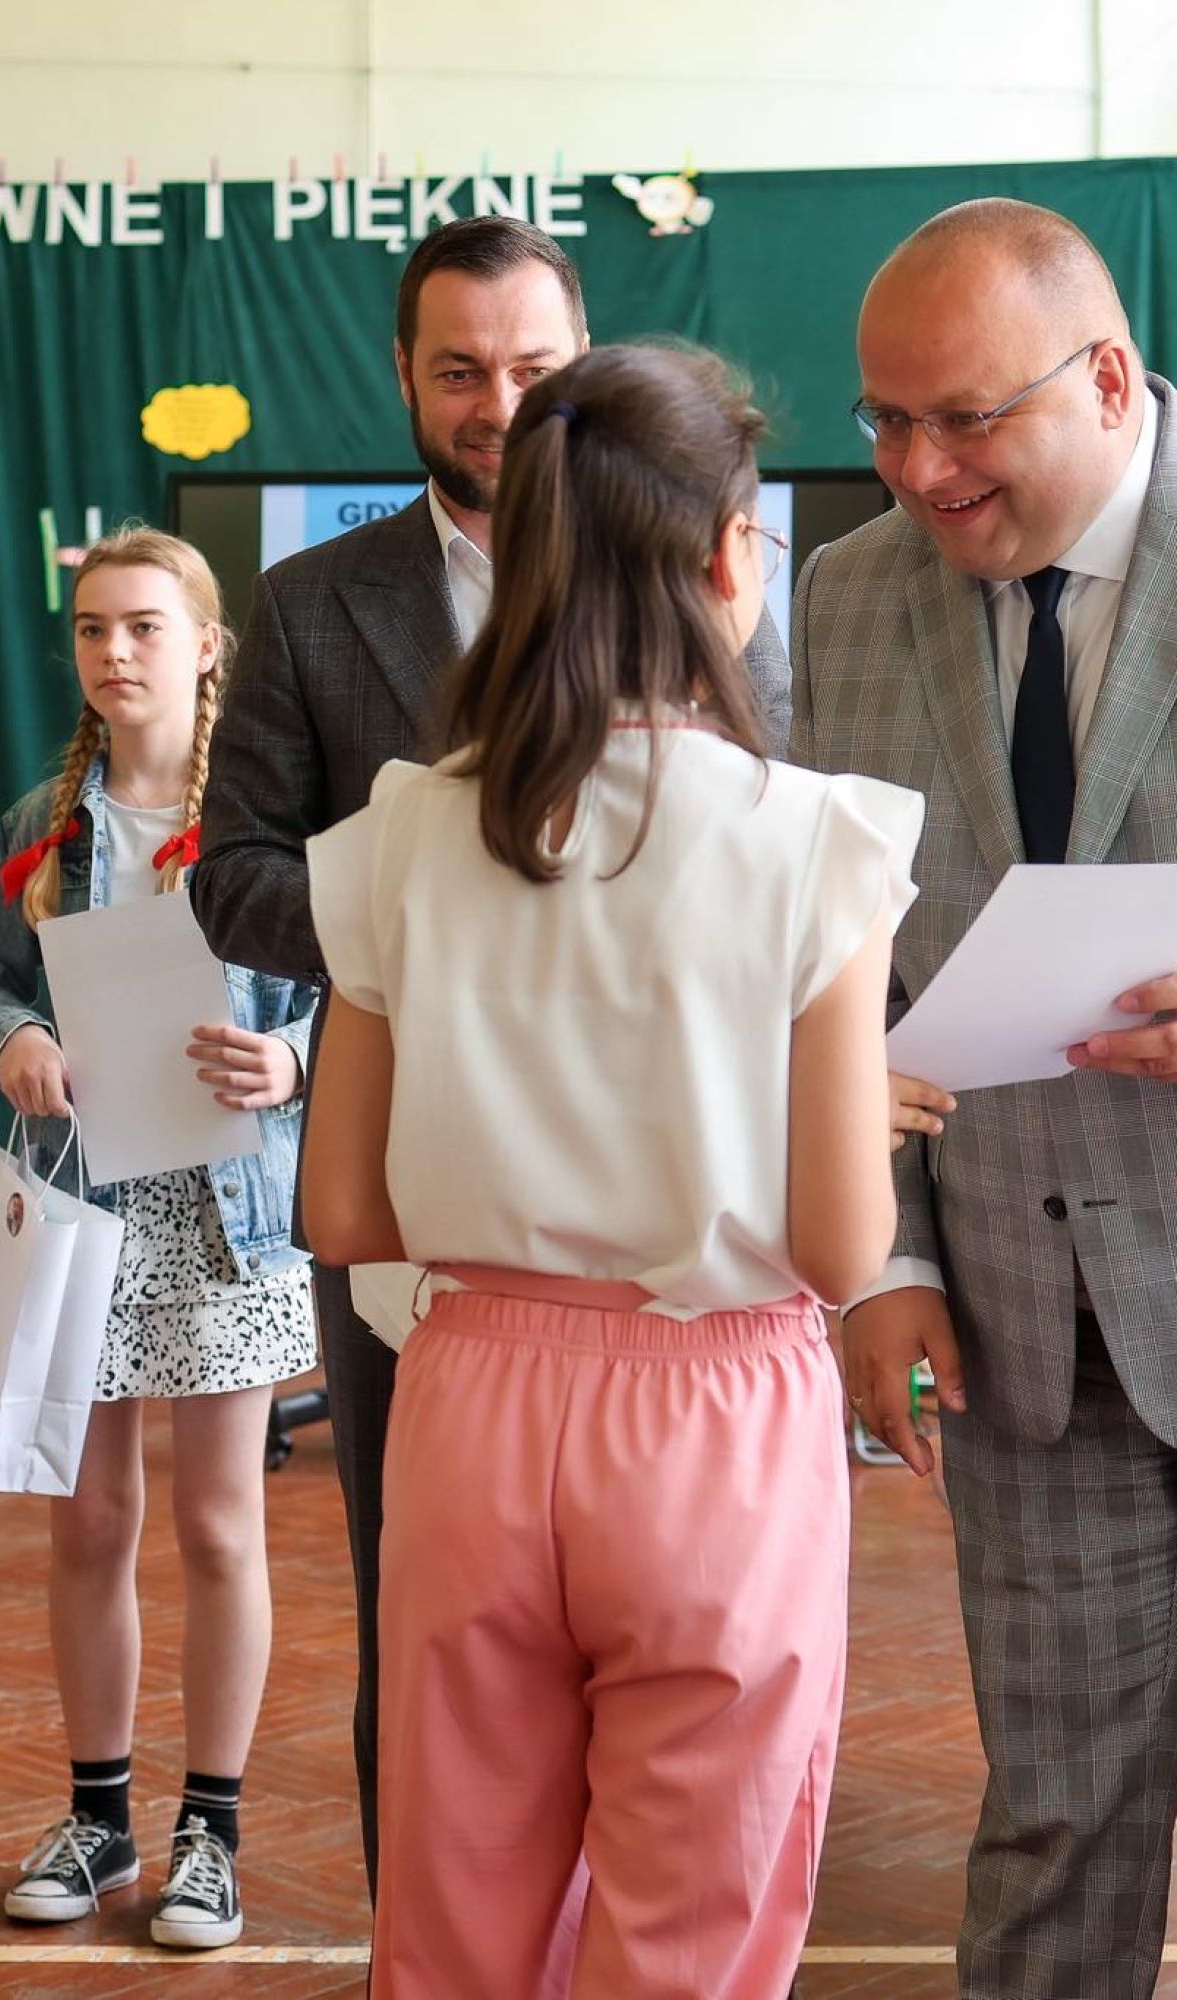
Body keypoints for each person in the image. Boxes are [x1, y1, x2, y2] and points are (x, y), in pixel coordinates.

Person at [300, 343, 919, 1997]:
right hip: (715, 1410)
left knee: (454, 1919)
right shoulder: (815, 838)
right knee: (696, 1930)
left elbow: (342, 1210)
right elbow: (840, 1242)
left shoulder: (407, 825)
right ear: (729, 554)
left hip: (469, 1401)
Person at [189, 214, 793, 1885]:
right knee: (428, 1638)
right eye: (460, 371)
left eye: (535, 368)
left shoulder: (721, 591)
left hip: (683, 1197)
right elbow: (233, 879)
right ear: (402, 375)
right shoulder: (310, 608)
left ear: (589, 366)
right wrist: (439, 924)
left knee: (688, 1646)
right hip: (409, 1200)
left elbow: (775, 836)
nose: (503, 407)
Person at [796, 196, 1177, 1999]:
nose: (917, 470)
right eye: (885, 419)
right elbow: (841, 973)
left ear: (1107, 378)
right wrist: (883, 1265)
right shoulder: (849, 595)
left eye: (963, 418)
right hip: (1027, 1339)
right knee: (1056, 1826)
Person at [0, 528, 320, 1952]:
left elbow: (366, 979)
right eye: (95, 628)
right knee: (91, 1520)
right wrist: (13, 1037)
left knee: (220, 1523)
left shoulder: (269, 821)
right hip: (85, 1211)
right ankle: (98, 1818)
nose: (116, 652)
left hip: (229, 1219)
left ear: (209, 647)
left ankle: (209, 1835)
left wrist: (296, 1063)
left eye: (147, 626)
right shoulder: (42, 827)